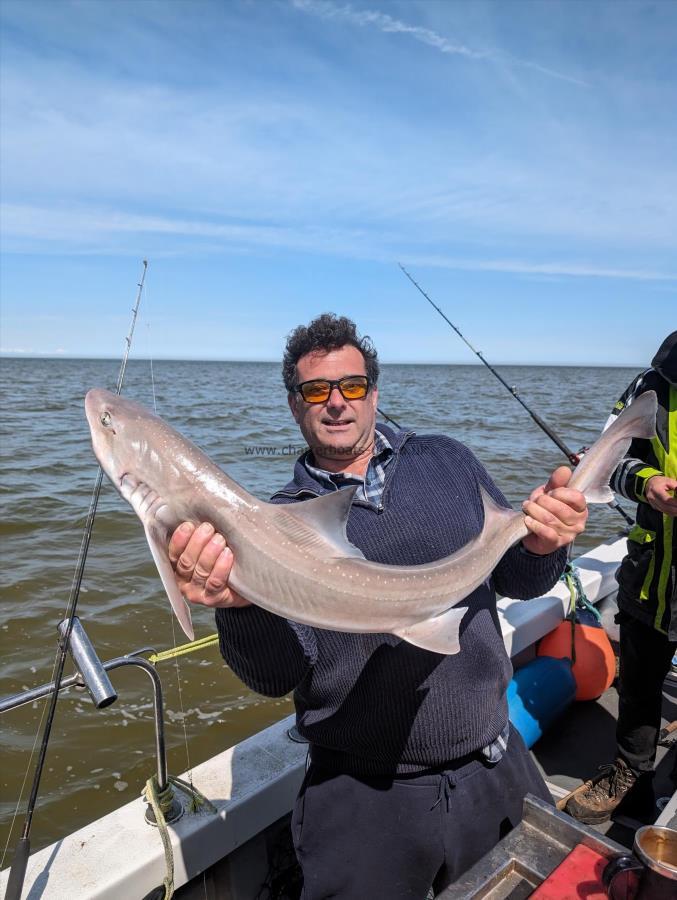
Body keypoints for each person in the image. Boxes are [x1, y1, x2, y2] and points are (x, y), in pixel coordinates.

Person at [168, 314, 588, 898]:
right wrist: (238, 607)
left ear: (374, 393)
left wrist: (544, 542)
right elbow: (276, 675)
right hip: (362, 798)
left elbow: (517, 576)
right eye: (316, 390)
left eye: (353, 386)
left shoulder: (448, 461)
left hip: (494, 767)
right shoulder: (278, 524)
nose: (336, 402)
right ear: (294, 405)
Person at [566, 331, 677, 825]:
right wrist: (647, 483)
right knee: (639, 681)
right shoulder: (651, 385)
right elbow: (605, 461)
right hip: (652, 573)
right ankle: (631, 772)